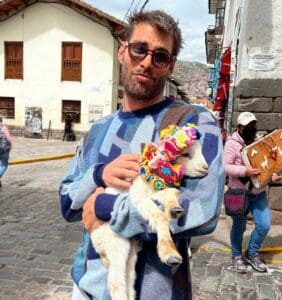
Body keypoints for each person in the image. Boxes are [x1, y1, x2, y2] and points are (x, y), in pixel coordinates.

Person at [59, 10, 224, 300]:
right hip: (86, 287)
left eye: (160, 56)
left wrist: (103, 205)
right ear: (123, 51)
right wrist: (98, 174)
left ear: (170, 65)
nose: (147, 62)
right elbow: (68, 204)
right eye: (139, 49)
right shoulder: (98, 130)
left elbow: (201, 210)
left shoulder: (192, 121)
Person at [224, 111, 282, 273]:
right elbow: (225, 166)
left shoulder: (260, 141)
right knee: (239, 226)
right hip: (238, 193)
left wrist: (273, 175)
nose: (252, 127)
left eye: (253, 124)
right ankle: (236, 255)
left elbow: (267, 163)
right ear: (240, 127)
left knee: (264, 224)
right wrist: (245, 171)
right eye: (248, 125)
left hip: (258, 192)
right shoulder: (232, 144)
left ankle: (252, 252)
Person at [0, 115, 12, 187]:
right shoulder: (3, 128)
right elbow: (9, 138)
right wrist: (11, 145)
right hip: (4, 149)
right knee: (4, 164)